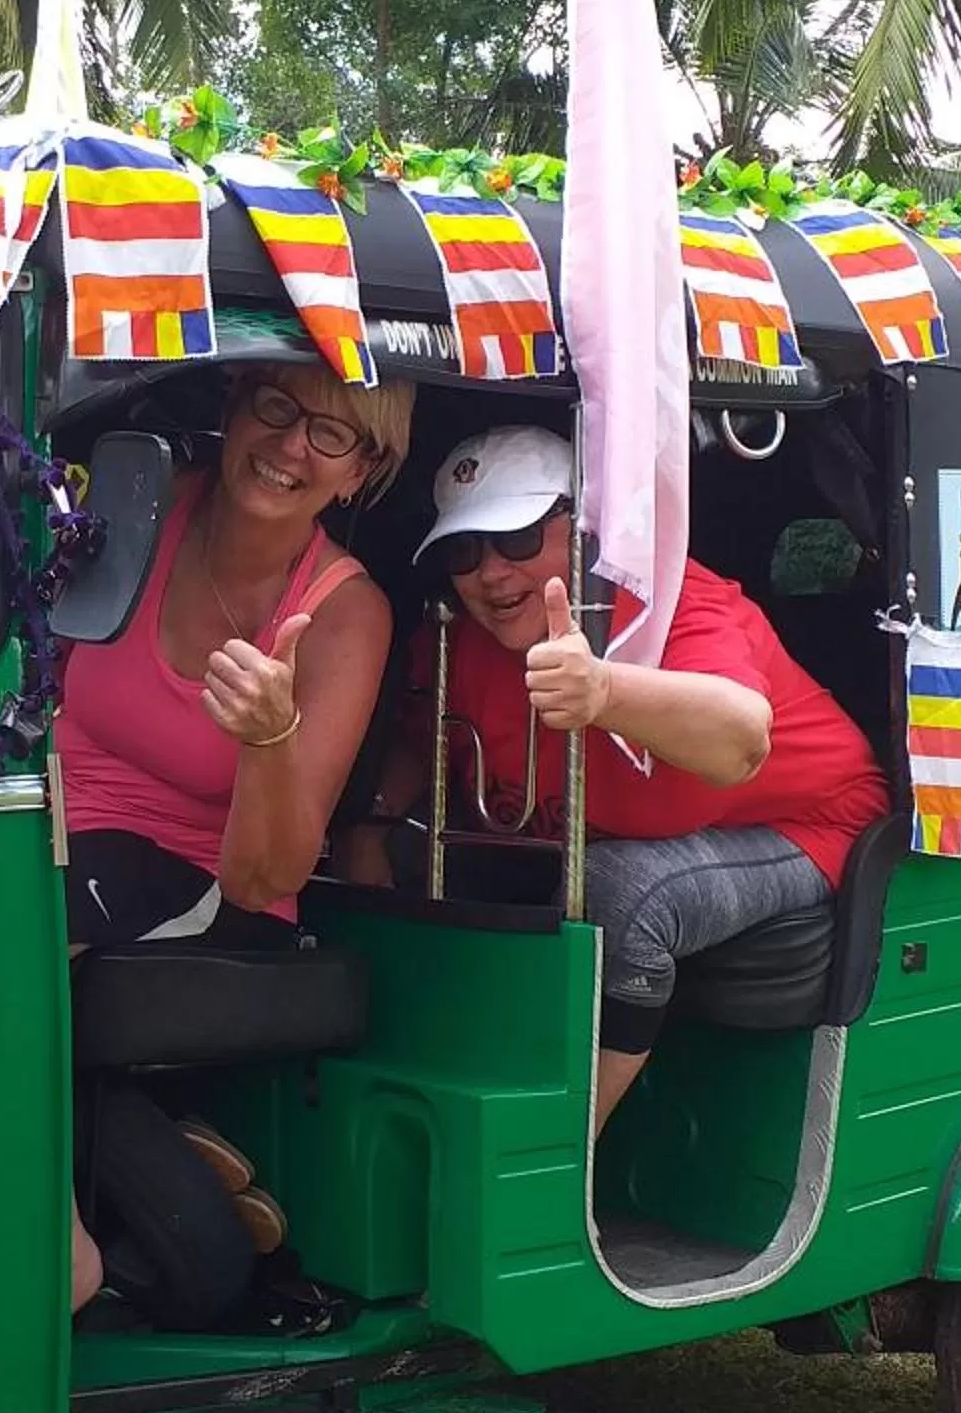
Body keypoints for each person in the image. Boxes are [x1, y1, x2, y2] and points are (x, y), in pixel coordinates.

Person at [338, 426, 888, 1142]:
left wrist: (602, 690)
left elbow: (740, 737)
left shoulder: (678, 603)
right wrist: (371, 829)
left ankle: (557, 1158)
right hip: (595, 834)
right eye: (463, 552)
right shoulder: (457, 638)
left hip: (806, 824)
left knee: (627, 891)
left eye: (520, 538)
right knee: (407, 859)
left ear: (585, 526)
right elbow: (419, 737)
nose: (492, 574)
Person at [53, 361, 414, 1311]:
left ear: (360, 471)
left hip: (205, 878)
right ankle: (155, 1158)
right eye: (279, 410)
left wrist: (269, 738)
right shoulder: (142, 511)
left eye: (332, 435)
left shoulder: (343, 612)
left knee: (5, 939)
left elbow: (270, 874)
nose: (293, 446)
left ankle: (60, 1252)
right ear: (236, 407)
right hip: (47, 831)